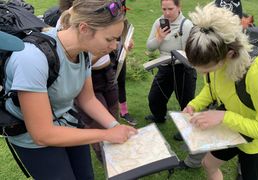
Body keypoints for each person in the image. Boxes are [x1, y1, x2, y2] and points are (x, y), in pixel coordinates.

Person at [4, 0, 137, 179]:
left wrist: (115, 126)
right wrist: (106, 134)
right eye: (109, 39)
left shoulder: (83, 51)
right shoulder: (32, 59)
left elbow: (87, 99)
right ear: (84, 28)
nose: (114, 46)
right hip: (33, 139)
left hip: (68, 122)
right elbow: (42, 134)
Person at [183, 3, 258, 180]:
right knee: (208, 163)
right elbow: (211, 88)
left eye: (207, 70)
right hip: (232, 128)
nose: (204, 74)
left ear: (230, 54)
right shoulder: (215, 56)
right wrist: (194, 104)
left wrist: (224, 117)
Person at [145, 0, 197, 123]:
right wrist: (159, 38)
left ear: (179, 7)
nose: (167, 13)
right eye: (164, 9)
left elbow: (189, 53)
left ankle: (187, 127)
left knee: (186, 102)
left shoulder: (186, 25)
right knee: (155, 98)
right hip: (164, 66)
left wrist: (177, 56)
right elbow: (150, 47)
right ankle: (159, 117)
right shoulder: (158, 22)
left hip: (183, 68)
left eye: (170, 9)